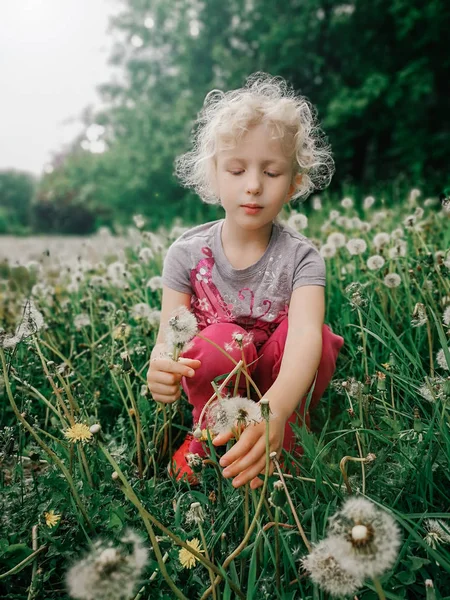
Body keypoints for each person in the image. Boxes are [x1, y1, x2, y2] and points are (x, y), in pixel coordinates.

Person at [147, 72, 344, 489]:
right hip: (218, 383)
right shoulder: (184, 255)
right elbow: (171, 340)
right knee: (217, 340)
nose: (253, 186)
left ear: (293, 184)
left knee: (319, 341)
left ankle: (286, 434)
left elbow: (307, 337)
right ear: (214, 176)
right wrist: (160, 368)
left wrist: (273, 411)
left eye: (271, 173)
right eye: (237, 170)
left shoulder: (303, 257)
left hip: (280, 384)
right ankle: (208, 434)